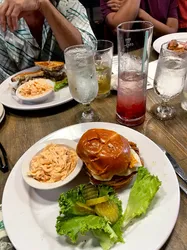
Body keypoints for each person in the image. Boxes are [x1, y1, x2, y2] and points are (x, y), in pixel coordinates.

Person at [0, 0, 97, 82]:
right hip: (23, 99)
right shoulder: (2, 13)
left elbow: (86, 58)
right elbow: (7, 84)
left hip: (74, 92)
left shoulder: (68, 4)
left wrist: (43, 5)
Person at [100, 0, 178, 38]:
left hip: (155, 54)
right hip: (122, 56)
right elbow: (121, 29)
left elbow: (172, 31)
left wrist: (140, 13)